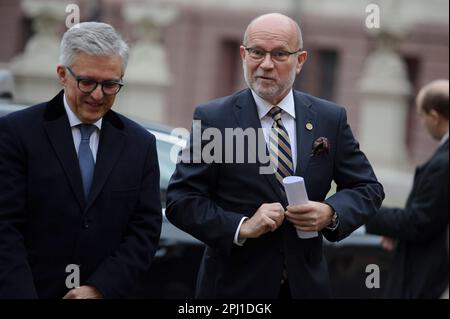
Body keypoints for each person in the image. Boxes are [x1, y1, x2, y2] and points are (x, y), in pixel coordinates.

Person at [165, 13, 384, 298]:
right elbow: (181, 201)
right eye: (257, 52)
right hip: (233, 289)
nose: (266, 65)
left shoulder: (329, 118)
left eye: (280, 54)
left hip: (305, 287)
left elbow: (368, 188)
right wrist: (242, 226)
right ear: (243, 54)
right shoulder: (214, 118)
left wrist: (330, 213)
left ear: (300, 60)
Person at [0, 22, 162, 299]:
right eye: (87, 82)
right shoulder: (16, 133)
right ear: (62, 74)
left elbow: (144, 231)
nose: (98, 95)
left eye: (110, 84)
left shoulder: (140, 144)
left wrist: (100, 288)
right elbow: (5, 227)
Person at [366, 79, 449, 299]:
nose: (422, 122)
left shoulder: (444, 163)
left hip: (430, 275)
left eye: (422, 116)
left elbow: (420, 221)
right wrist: (397, 230)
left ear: (434, 117)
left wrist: (368, 213)